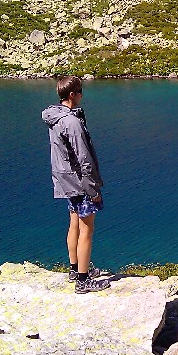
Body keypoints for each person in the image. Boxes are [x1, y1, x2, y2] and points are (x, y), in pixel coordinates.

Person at [42, 76, 110, 294]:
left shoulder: (55, 117)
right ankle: (83, 280)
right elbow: (84, 159)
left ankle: (74, 268)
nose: (82, 94)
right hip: (80, 182)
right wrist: (93, 189)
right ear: (72, 94)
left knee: (74, 223)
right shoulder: (71, 122)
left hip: (66, 180)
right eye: (80, 91)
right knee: (86, 229)